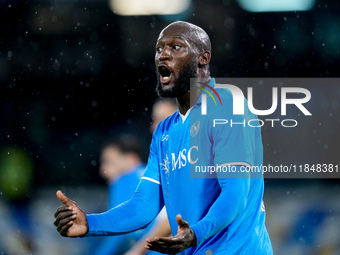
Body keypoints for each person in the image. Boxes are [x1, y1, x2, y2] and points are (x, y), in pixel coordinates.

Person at [54, 21, 273, 254]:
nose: (163, 56)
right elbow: (144, 205)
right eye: (159, 49)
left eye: (176, 47)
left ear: (203, 59)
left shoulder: (226, 107)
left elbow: (236, 194)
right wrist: (90, 223)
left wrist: (197, 233)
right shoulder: (164, 132)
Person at [93, 133, 154, 255]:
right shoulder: (153, 176)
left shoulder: (123, 180)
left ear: (132, 159)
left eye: (109, 162)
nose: (103, 171)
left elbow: (116, 230)